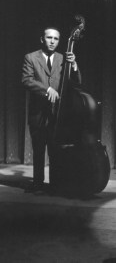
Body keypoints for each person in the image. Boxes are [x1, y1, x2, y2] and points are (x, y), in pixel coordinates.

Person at [22, 27, 81, 193]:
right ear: (42, 39)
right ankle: (38, 183)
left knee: (56, 152)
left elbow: (75, 83)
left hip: (59, 113)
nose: (52, 41)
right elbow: (26, 81)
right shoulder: (30, 57)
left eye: (56, 38)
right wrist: (47, 90)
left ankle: (56, 184)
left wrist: (74, 66)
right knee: (39, 150)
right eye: (49, 38)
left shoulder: (64, 58)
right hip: (38, 114)